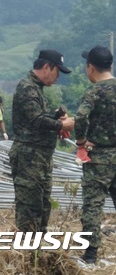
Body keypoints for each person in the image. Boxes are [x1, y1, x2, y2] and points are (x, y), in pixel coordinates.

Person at [8, 49, 75, 233]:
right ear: (47, 67)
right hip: (29, 157)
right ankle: (28, 251)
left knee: (43, 205)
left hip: (40, 157)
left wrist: (56, 119)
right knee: (30, 207)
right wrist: (60, 126)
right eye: (57, 72)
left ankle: (38, 249)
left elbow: (37, 119)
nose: (57, 77)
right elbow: (35, 120)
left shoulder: (37, 89)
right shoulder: (27, 87)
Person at [75, 45, 116, 264]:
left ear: (90, 67)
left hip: (99, 158)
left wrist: (81, 141)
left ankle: (90, 255)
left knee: (93, 206)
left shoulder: (95, 91)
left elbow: (81, 117)